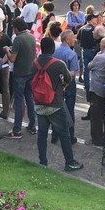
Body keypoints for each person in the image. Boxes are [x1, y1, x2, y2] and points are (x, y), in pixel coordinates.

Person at [32, 37, 84, 172]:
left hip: (39, 103)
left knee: (42, 134)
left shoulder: (35, 63)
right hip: (55, 104)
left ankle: (42, 161)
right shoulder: (58, 64)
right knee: (64, 134)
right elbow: (68, 78)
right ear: (52, 49)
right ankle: (70, 162)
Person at [6, 16, 38, 137]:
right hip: (30, 72)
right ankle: (32, 125)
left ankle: (17, 129)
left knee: (19, 101)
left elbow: (12, 59)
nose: (12, 30)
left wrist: (7, 51)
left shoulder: (18, 39)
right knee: (29, 98)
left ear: (17, 28)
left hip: (20, 74)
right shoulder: (31, 37)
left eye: (13, 28)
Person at [53, 30, 80, 143]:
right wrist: (66, 85)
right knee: (69, 110)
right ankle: (70, 135)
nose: (75, 39)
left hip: (56, 83)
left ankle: (55, 134)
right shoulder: (71, 54)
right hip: (68, 85)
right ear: (67, 39)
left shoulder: (55, 51)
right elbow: (72, 74)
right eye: (73, 37)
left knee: (56, 109)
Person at [87, 37, 105, 146]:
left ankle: (97, 138)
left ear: (102, 45)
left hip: (97, 89)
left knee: (96, 116)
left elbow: (89, 66)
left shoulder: (100, 57)